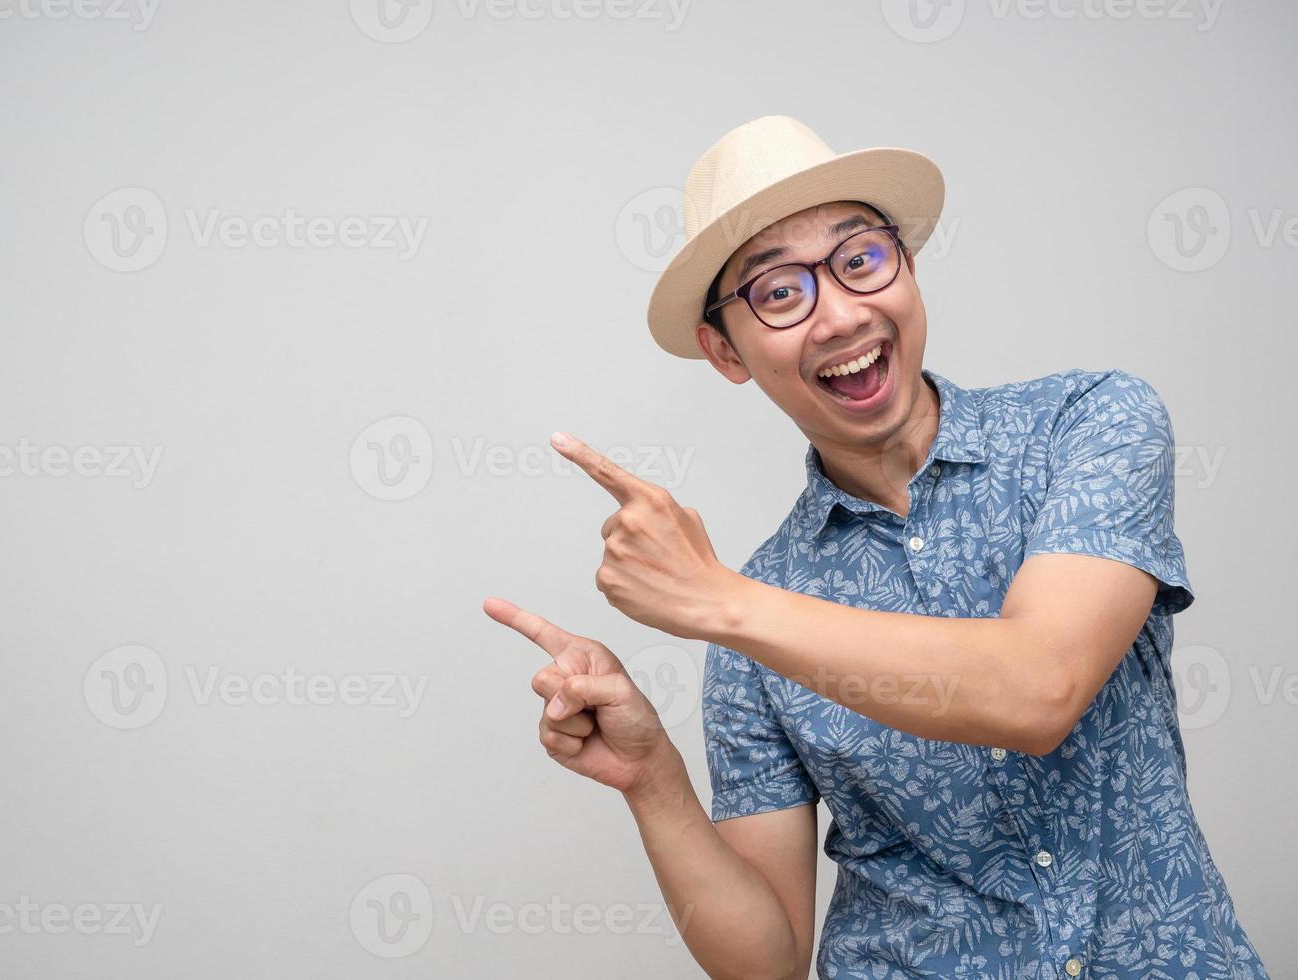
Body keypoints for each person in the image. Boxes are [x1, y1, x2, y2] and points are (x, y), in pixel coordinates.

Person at [483, 115, 1268, 979]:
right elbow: (768, 960)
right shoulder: (755, 615)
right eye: (779, 293)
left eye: (858, 259)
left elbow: (1040, 688)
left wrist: (718, 602)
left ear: (906, 265)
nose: (841, 314)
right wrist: (651, 777)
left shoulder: (1087, 424)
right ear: (724, 350)